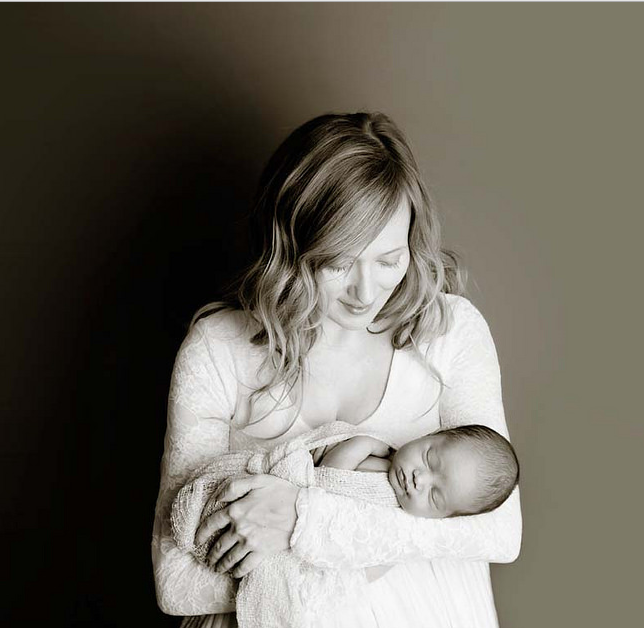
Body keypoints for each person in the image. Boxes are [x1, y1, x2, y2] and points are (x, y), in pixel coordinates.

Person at [151, 112, 522, 628]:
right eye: (338, 263)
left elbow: (499, 533)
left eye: (389, 260)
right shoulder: (220, 349)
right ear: (293, 248)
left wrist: (303, 519)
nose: (366, 293)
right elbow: (176, 584)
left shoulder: (449, 330)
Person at [317, 425, 520, 518]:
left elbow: (326, 482)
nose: (419, 479)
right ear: (429, 435)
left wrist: (363, 444)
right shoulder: (385, 446)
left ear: (441, 517)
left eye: (434, 496)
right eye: (429, 459)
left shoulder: (391, 518)